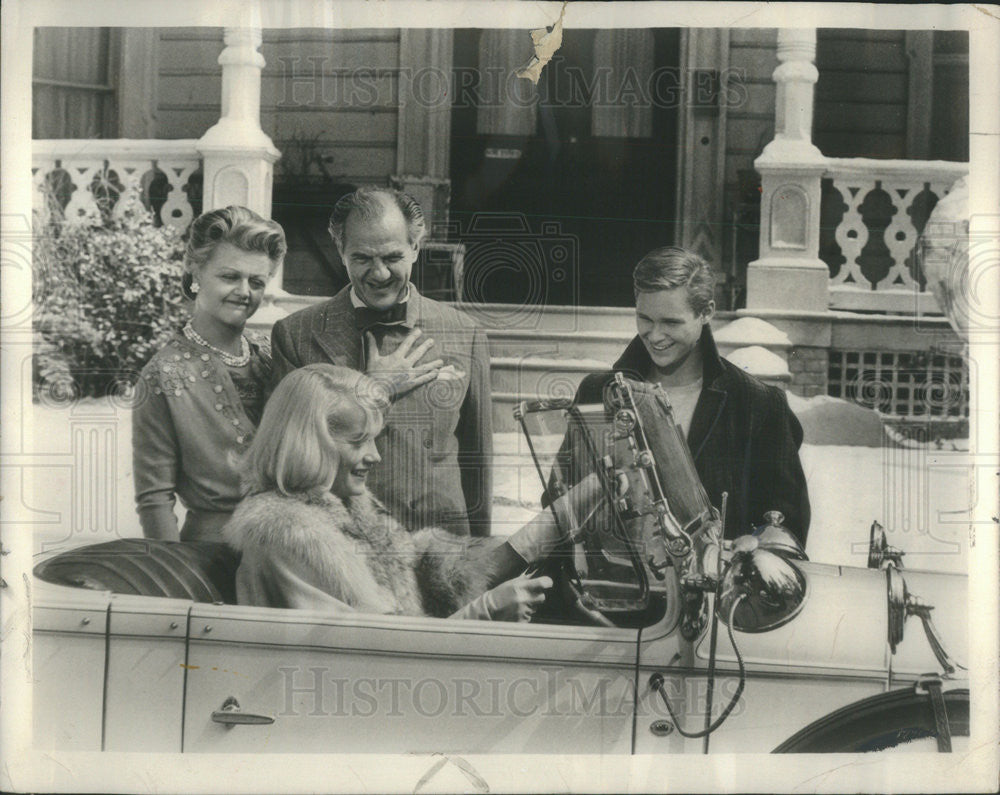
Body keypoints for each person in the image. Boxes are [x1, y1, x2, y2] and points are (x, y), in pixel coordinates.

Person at [224, 364, 590, 621]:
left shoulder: (349, 509)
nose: (375, 455)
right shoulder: (288, 535)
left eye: (374, 439)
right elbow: (365, 659)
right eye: (358, 441)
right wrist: (486, 612)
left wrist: (563, 515)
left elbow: (426, 575)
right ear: (310, 444)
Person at [270, 186, 493, 537]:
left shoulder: (465, 333)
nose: (379, 274)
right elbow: (290, 458)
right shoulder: (295, 336)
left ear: (415, 248)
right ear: (340, 251)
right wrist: (372, 388)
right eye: (362, 259)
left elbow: (477, 460)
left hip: (441, 547)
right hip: (341, 547)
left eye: (392, 257)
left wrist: (482, 555)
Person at [565, 247, 810, 544]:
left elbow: (786, 528)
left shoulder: (759, 405)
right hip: (610, 586)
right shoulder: (595, 392)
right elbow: (560, 501)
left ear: (706, 312)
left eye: (670, 322)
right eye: (645, 319)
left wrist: (753, 546)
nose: (654, 336)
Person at [132, 206, 287, 542]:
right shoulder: (163, 374)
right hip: (212, 555)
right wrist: (173, 576)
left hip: (287, 547)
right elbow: (155, 498)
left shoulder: (273, 357)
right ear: (196, 272)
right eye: (230, 277)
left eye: (256, 281)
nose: (245, 291)